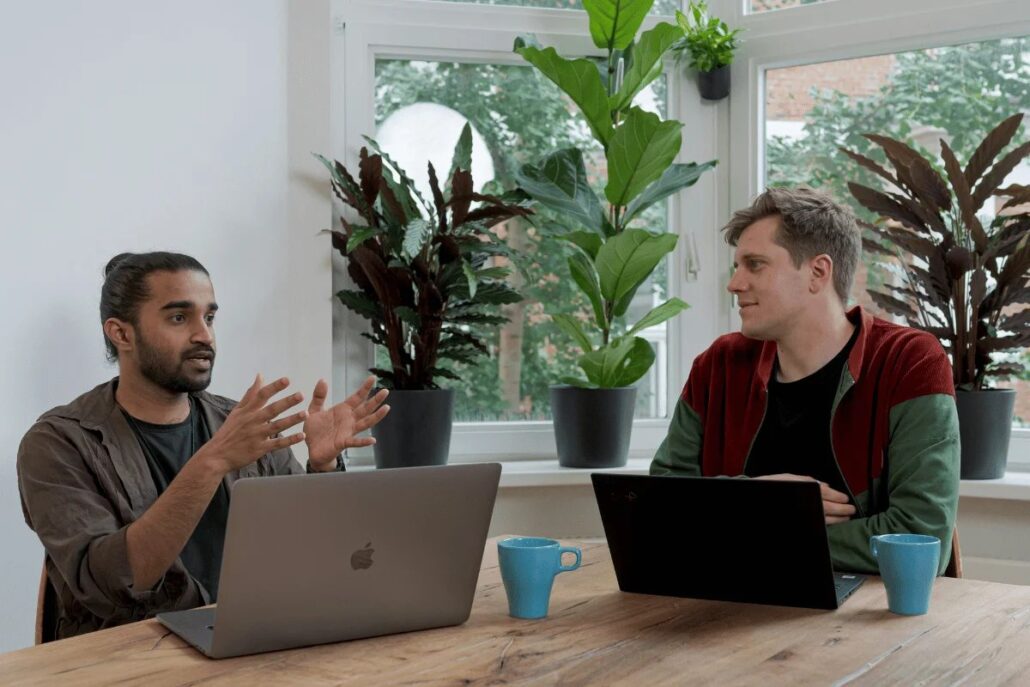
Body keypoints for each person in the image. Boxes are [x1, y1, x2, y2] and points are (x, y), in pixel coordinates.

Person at [18, 252, 390, 639]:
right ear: (121, 333)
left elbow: (307, 553)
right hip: (129, 659)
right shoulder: (58, 443)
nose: (204, 335)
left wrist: (323, 468)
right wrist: (213, 460)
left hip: (250, 641)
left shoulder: (245, 424)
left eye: (209, 317)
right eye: (179, 318)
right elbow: (113, 586)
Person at [651, 187, 960, 574]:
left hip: (869, 620)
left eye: (755, 264)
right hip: (729, 605)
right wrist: (755, 503)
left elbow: (919, 537)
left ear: (818, 272)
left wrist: (762, 530)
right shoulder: (719, 366)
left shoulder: (908, 362)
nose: (734, 284)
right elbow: (660, 505)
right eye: (736, 266)